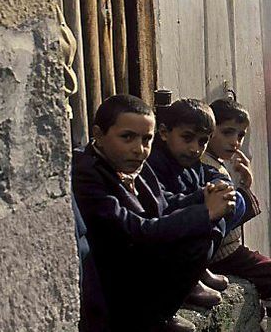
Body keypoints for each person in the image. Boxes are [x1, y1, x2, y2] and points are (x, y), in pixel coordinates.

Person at [72, 95, 236, 332]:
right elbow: (134, 231)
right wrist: (204, 213)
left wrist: (204, 196)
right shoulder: (86, 174)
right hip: (115, 285)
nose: (139, 149)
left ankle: (161, 313)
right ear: (98, 134)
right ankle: (147, 319)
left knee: (209, 226)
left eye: (146, 139)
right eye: (127, 137)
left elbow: (163, 206)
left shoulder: (136, 163)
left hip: (142, 262)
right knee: (200, 227)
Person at [203, 99, 271, 331]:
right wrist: (244, 190)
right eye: (227, 132)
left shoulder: (216, 163)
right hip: (222, 253)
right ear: (209, 130)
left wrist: (244, 183)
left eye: (240, 135)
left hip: (226, 248)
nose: (235, 142)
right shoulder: (208, 168)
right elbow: (226, 214)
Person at [144, 99, 242, 308]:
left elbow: (210, 173)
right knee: (207, 217)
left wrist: (218, 186)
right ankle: (185, 285)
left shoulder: (189, 160)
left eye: (202, 142)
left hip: (189, 222)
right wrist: (203, 198)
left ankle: (198, 270)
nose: (194, 148)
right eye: (187, 138)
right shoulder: (155, 163)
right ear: (164, 132)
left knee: (228, 205)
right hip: (168, 238)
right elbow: (163, 205)